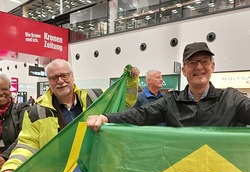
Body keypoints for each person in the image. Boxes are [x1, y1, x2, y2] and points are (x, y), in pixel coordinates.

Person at [0, 59, 139, 172]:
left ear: (72, 76)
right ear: (48, 81)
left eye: (64, 75)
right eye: (54, 78)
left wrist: (131, 82)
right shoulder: (36, 112)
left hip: (95, 170)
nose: (60, 81)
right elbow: (27, 144)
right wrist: (10, 167)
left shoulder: (96, 97)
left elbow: (124, 103)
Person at [86, 41, 250, 131]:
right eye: (192, 63)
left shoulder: (231, 99)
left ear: (212, 67)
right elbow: (140, 114)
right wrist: (106, 117)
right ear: (184, 70)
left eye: (205, 61)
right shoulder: (171, 101)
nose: (199, 67)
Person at [0, 74, 29, 172]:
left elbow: (25, 136)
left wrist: (4, 157)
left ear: (10, 90)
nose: (1, 93)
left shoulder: (21, 110)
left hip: (15, 168)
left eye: (4, 89)